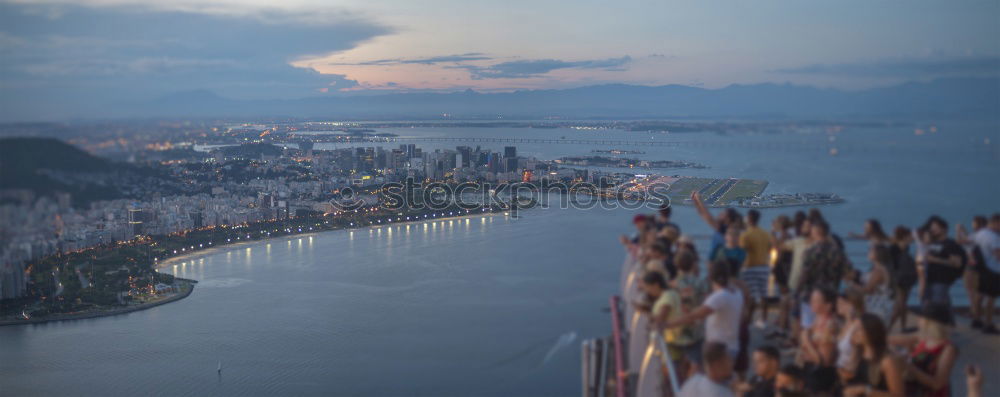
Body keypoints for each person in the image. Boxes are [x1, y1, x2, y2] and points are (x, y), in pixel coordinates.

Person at [666, 260, 744, 361]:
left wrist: (667, 324)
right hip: (731, 345)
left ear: (711, 277)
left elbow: (693, 316)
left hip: (719, 349)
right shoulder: (737, 292)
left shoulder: (719, 297)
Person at [890, 304, 958, 397]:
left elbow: (937, 384)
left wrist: (909, 366)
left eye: (921, 316)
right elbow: (890, 339)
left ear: (930, 322)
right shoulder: (922, 337)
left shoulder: (948, 349)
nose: (917, 318)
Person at [798, 220, 850, 330]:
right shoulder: (837, 251)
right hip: (831, 294)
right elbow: (848, 271)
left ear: (815, 232)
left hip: (811, 295)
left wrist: (797, 290)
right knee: (828, 325)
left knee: (809, 327)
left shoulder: (810, 251)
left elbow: (804, 273)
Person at [842, 314, 905, 397]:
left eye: (859, 329)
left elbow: (899, 395)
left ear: (871, 331)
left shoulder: (886, 361)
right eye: (854, 329)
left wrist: (865, 390)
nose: (854, 333)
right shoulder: (857, 354)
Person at [797, 288, 840, 394]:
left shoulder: (830, 325)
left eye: (816, 300)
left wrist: (806, 341)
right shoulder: (817, 319)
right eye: (811, 299)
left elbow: (824, 361)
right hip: (809, 370)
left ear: (828, 305)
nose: (811, 303)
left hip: (820, 377)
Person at [920, 216, 966, 308]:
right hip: (929, 280)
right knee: (938, 307)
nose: (932, 229)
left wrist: (935, 260)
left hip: (941, 281)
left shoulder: (950, 244)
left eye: (935, 226)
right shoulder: (932, 243)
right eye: (931, 227)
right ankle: (949, 321)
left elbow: (957, 263)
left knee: (938, 307)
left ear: (944, 229)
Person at [740, 209, 774, 329]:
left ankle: (748, 320)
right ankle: (763, 320)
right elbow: (770, 248)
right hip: (764, 266)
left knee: (751, 296)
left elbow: (742, 250)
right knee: (764, 294)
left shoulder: (745, 235)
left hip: (750, 267)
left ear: (749, 219)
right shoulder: (766, 234)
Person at [956, 216, 987, 329]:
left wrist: (958, 231)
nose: (972, 224)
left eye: (973, 223)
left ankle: (976, 317)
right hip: (982, 268)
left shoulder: (977, 236)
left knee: (972, 293)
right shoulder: (984, 236)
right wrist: (964, 231)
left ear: (978, 224)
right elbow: (967, 242)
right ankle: (975, 314)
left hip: (972, 267)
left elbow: (959, 241)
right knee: (977, 293)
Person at [971, 213, 1000, 334]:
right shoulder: (994, 237)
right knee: (991, 299)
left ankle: (976, 319)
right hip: (994, 271)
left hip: (982, 270)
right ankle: (988, 324)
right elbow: (998, 256)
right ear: (996, 223)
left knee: (980, 294)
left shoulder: (980, 234)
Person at [853, 245, 894, 324]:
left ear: (878, 254)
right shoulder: (878, 268)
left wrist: (851, 285)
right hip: (878, 305)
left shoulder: (878, 271)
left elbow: (868, 289)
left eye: (871, 251)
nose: (868, 253)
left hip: (877, 306)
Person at [887, 226, 918, 332]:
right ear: (905, 237)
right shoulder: (894, 248)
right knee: (900, 304)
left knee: (903, 303)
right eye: (909, 236)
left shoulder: (904, 247)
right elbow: (890, 265)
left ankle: (903, 327)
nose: (912, 238)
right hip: (898, 279)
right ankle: (887, 328)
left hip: (906, 278)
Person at [771, 215, 795, 339]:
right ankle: (783, 323)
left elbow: (777, 248)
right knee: (784, 297)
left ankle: (783, 326)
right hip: (784, 267)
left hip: (783, 268)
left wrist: (773, 234)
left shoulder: (784, 236)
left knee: (784, 297)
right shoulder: (787, 235)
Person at [836, 289, 865, 383]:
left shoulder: (858, 325)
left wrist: (843, 377)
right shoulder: (845, 324)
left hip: (849, 374)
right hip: (840, 370)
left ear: (852, 305)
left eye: (841, 303)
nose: (838, 305)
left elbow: (856, 356)